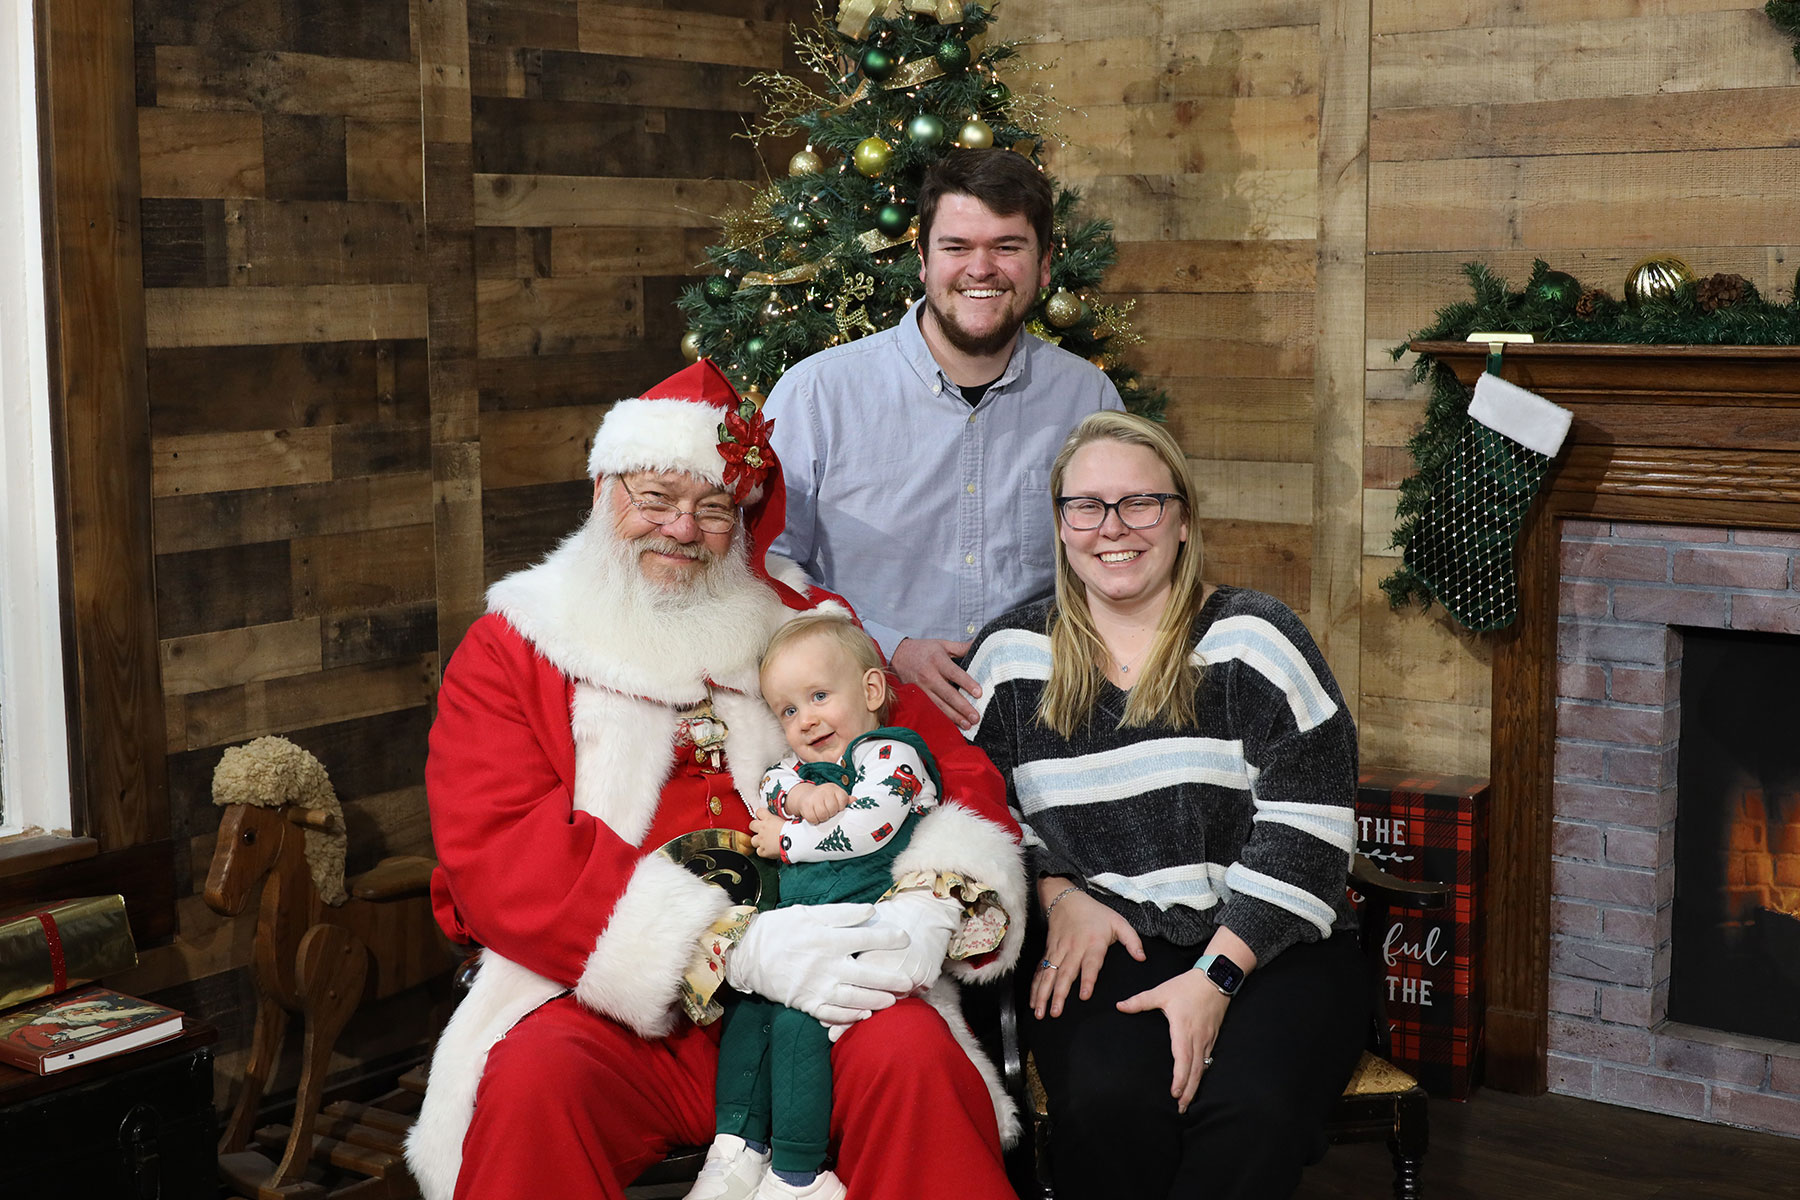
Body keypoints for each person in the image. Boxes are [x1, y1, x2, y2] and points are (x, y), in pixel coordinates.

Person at [403, 359, 1028, 1200]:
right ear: (602, 494)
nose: (682, 530)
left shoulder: (806, 628)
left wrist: (932, 901)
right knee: (532, 1085)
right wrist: (729, 947)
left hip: (820, 984)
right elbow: (501, 849)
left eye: (713, 509)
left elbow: (943, 766)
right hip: (607, 1008)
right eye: (654, 499)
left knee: (917, 1060)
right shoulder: (518, 644)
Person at [962, 411, 1369, 1200]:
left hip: (1273, 942)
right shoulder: (1010, 659)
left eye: (1141, 503)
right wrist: (1055, 890)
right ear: (1060, 524)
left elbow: (1309, 833)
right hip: (1107, 942)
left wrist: (1216, 976)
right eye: (1087, 505)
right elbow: (976, 813)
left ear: (1182, 520)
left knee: (1253, 1110)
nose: (1113, 528)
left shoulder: (1254, 639)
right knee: (1110, 1104)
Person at [764, 147, 1124, 730]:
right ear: (924, 261)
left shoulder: (1090, 402)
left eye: (1007, 247)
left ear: (1046, 265)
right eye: (957, 247)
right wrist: (887, 648)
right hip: (867, 724)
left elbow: (1120, 563)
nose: (980, 269)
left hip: (1048, 721)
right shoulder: (816, 397)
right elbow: (767, 569)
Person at [692, 614, 975, 1200]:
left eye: (819, 696)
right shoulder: (803, 769)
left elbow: (871, 826)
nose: (806, 719)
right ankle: (735, 1147)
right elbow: (770, 785)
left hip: (860, 923)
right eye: (788, 711)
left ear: (871, 691)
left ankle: (798, 1174)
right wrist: (799, 794)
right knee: (747, 1017)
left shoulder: (893, 754)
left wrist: (790, 838)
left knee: (799, 1028)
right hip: (794, 927)